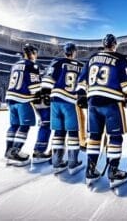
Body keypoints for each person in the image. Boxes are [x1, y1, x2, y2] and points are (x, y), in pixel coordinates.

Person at [77, 34, 127, 188]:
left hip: (93, 101)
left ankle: (90, 169)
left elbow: (81, 81)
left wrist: (81, 95)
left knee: (94, 137)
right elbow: (126, 86)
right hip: (112, 102)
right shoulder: (120, 58)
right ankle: (113, 171)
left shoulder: (92, 58)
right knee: (115, 137)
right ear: (114, 45)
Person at [41, 42, 84, 175]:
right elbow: (83, 85)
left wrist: (45, 94)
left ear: (65, 52)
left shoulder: (57, 62)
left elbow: (47, 81)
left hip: (55, 101)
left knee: (58, 133)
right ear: (74, 52)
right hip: (70, 101)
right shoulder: (79, 66)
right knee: (72, 133)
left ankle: (57, 162)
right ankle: (72, 163)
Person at [5, 44, 41, 166]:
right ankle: (15, 151)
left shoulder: (15, 65)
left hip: (10, 98)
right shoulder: (32, 65)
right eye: (35, 53)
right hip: (22, 99)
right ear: (32, 53)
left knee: (14, 125)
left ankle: (8, 150)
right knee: (25, 126)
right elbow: (35, 87)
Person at [31, 62, 52, 164]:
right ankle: (39, 152)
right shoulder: (48, 78)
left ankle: (38, 150)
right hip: (46, 104)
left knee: (44, 125)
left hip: (37, 104)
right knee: (46, 127)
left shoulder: (39, 78)